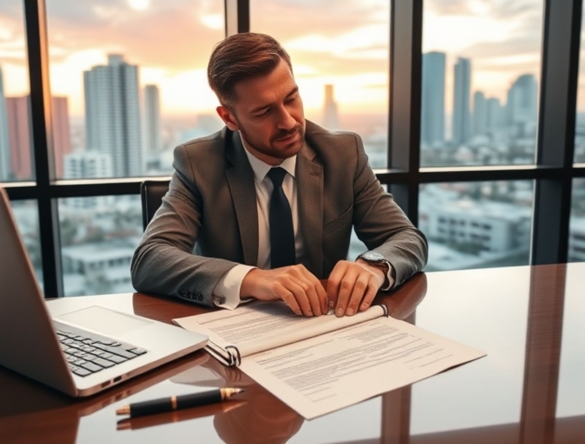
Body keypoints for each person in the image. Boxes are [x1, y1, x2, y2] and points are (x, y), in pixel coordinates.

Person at [131, 32, 427, 318]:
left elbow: (406, 238)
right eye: (264, 112)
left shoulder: (342, 153)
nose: (288, 122)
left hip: (324, 324)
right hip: (238, 333)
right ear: (229, 117)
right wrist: (254, 280)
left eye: (291, 98)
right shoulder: (198, 163)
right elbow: (150, 261)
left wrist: (373, 266)